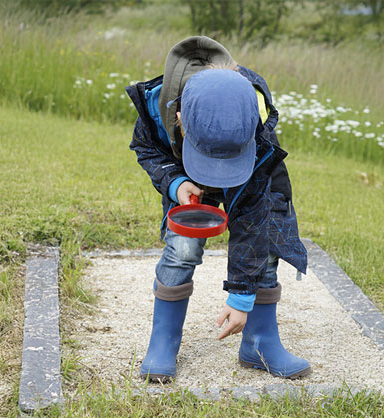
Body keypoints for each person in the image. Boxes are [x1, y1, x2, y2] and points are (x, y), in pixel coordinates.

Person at [125, 36, 310, 383]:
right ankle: (163, 343)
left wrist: (242, 296)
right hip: (187, 178)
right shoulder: (156, 106)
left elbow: (252, 221)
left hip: (247, 168)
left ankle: (259, 343)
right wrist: (175, 183)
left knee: (266, 242)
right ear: (179, 116)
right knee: (182, 248)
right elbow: (145, 149)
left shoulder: (252, 116)